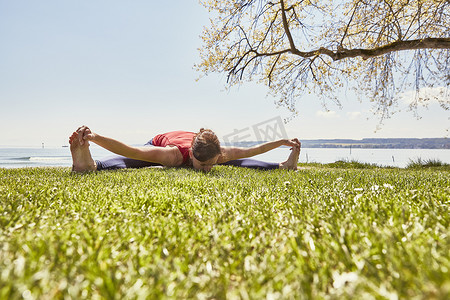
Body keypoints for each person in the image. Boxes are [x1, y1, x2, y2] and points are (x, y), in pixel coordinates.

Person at [69, 125, 301, 173]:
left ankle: (284, 166)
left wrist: (280, 143)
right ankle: (91, 165)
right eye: (202, 165)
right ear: (191, 155)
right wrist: (95, 137)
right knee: (141, 161)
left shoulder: (217, 153)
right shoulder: (174, 155)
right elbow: (132, 151)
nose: (207, 170)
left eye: (211, 164)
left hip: (199, 143)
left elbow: (251, 150)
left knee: (238, 160)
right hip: (159, 142)